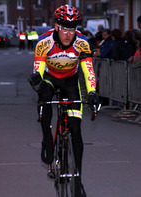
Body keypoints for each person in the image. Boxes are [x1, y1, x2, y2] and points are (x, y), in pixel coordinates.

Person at [29, 4, 99, 197]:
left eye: (72, 29)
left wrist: (92, 92)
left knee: (76, 129)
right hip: (50, 79)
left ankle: (78, 180)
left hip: (70, 82)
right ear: (56, 26)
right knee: (44, 95)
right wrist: (36, 77)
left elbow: (88, 71)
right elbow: (39, 69)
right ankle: (47, 141)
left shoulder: (82, 43)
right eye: (64, 29)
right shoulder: (44, 42)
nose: (68, 34)